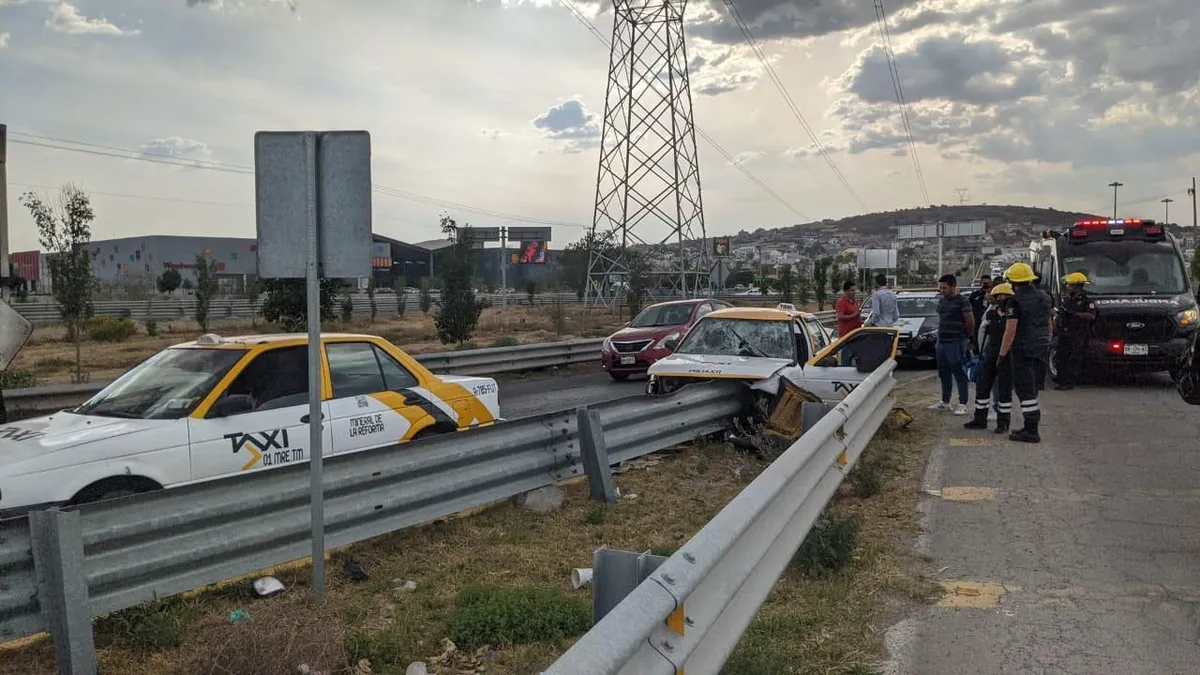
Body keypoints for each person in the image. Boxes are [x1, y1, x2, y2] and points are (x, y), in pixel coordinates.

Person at [998, 262, 1051, 443]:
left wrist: (1002, 354)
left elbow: (1010, 330)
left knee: (1025, 390)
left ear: (1013, 282)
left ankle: (1031, 430)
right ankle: (1030, 427)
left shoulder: (1015, 301)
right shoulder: (1044, 297)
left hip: (1023, 349)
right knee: (1033, 388)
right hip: (1042, 348)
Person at [964, 283, 1014, 433]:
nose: (1001, 298)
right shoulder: (991, 314)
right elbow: (982, 334)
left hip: (1006, 355)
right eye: (998, 296)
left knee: (1004, 390)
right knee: (982, 386)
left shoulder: (1014, 316)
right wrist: (979, 351)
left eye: (1005, 296)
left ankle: (1003, 423)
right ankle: (980, 419)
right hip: (990, 353)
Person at [930, 274, 975, 415]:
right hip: (942, 341)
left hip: (955, 341)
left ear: (953, 287)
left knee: (959, 371)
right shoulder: (942, 301)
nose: (941, 291)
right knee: (943, 372)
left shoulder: (963, 301)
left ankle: (962, 403)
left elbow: (970, 322)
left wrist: (966, 337)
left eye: (944, 288)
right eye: (940, 288)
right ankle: (945, 401)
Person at [1054, 272, 1096, 390]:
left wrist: (1077, 315)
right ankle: (1061, 380)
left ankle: (1070, 382)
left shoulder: (1087, 301)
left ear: (1077, 286)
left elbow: (1092, 316)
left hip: (1078, 333)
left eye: (1070, 285)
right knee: (1061, 357)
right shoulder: (1066, 300)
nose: (1068, 288)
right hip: (1064, 332)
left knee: (1074, 358)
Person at [834, 280, 863, 366]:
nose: (854, 292)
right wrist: (854, 315)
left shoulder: (855, 302)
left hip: (856, 335)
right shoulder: (841, 302)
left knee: (859, 359)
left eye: (855, 290)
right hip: (846, 336)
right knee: (846, 358)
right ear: (846, 291)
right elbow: (840, 316)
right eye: (852, 290)